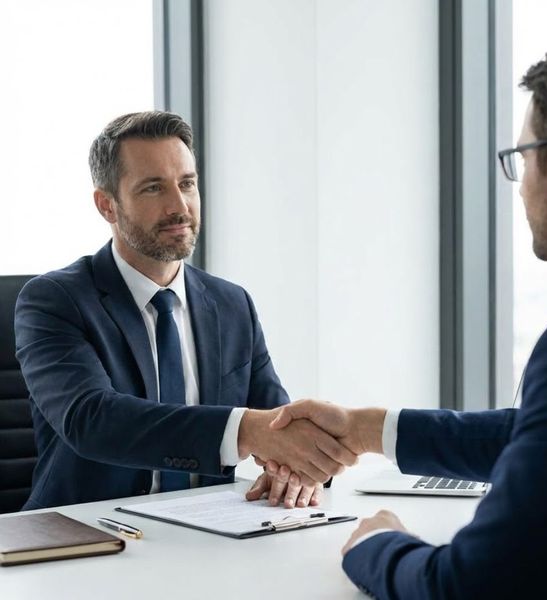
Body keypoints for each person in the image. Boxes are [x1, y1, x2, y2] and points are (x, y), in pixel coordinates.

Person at [268, 35, 547, 598]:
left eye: (522, 159)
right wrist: (365, 428)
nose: (519, 192)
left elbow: (468, 587)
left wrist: (376, 542)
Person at [15, 111, 356, 511]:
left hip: (208, 531)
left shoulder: (231, 304)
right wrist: (245, 430)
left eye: (187, 184)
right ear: (107, 205)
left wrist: (299, 469)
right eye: (153, 188)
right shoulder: (54, 300)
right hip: (88, 539)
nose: (179, 206)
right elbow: (92, 421)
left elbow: (277, 423)